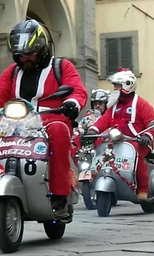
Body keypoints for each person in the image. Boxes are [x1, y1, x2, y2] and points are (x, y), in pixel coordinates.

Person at [0, 19, 87, 219]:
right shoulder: (11, 72)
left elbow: (77, 89)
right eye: (20, 56)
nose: (25, 59)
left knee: (58, 131)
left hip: (51, 118)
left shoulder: (61, 66)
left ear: (42, 49)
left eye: (29, 54)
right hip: (14, 121)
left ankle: (59, 195)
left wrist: (73, 103)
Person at [85, 67, 154, 200]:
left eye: (117, 86)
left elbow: (152, 123)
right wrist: (93, 130)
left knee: (137, 156)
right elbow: (103, 121)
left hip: (137, 141)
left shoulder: (142, 104)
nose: (115, 89)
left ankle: (143, 189)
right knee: (101, 152)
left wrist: (146, 136)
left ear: (127, 85)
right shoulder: (113, 106)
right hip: (116, 141)